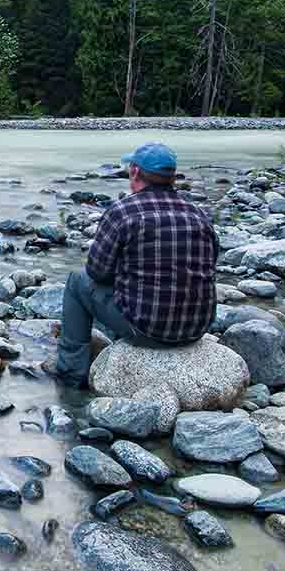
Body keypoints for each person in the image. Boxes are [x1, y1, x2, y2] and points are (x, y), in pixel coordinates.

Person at [47, 142, 220, 389]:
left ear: (135, 172)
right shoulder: (198, 213)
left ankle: (70, 376)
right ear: (172, 177)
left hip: (148, 330)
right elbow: (209, 263)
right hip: (195, 328)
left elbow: (97, 272)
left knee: (77, 281)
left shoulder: (123, 211)